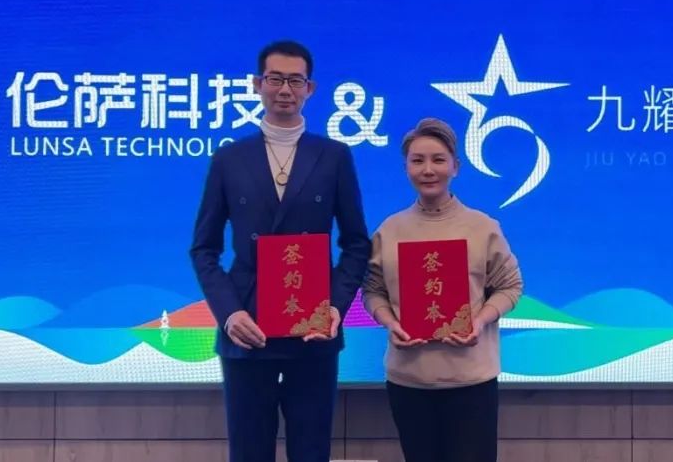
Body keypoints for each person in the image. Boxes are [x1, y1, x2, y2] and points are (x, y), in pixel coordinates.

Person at [190, 40, 371, 462]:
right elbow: (204, 248)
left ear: (311, 88)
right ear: (258, 84)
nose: (285, 89)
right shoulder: (229, 159)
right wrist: (230, 315)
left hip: (314, 330)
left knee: (311, 451)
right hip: (247, 329)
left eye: (295, 80)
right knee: (249, 452)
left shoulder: (334, 156)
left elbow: (356, 244)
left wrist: (335, 307)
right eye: (275, 79)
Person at [363, 117, 523, 462]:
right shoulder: (390, 229)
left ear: (455, 167)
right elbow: (373, 291)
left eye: (438, 159)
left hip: (471, 381)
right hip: (408, 381)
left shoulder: (482, 227)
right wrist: (389, 322)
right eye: (417, 160)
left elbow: (510, 287)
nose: (428, 169)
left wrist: (479, 320)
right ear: (406, 168)